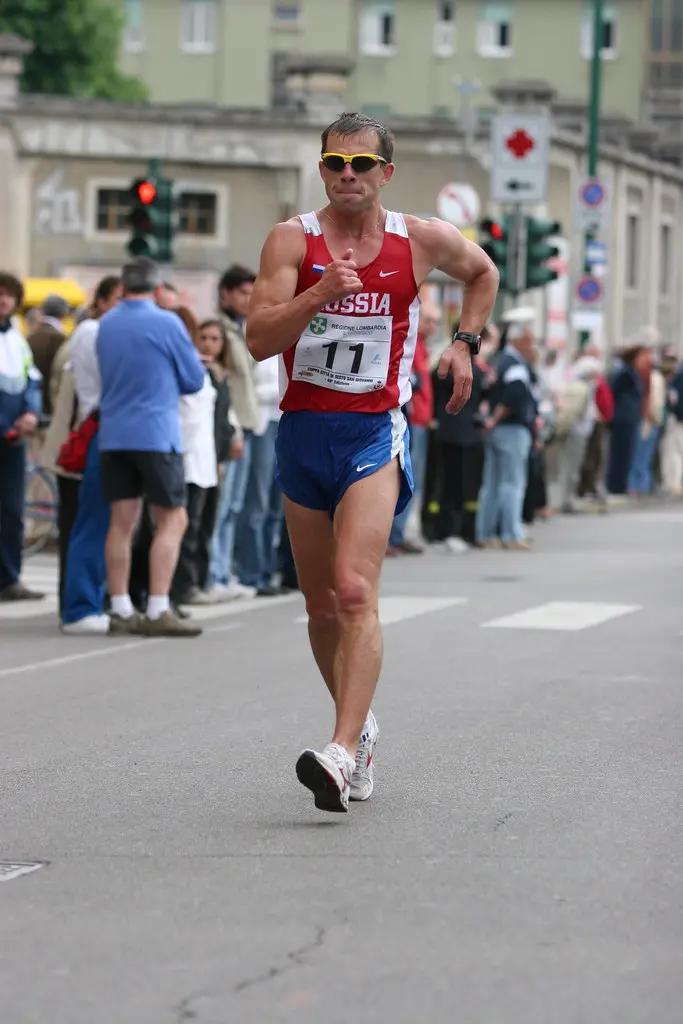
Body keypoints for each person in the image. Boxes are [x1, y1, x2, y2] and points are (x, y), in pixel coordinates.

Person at [246, 111, 498, 813]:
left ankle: (337, 747)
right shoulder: (291, 240)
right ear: (320, 168)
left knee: (354, 591)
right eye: (335, 163)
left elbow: (483, 273)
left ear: (385, 172)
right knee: (319, 605)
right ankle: (359, 733)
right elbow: (258, 339)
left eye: (361, 165)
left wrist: (464, 344)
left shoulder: (417, 241)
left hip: (369, 433)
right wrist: (319, 294)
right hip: (301, 431)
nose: (347, 176)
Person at [97, 257, 206, 637]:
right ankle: (158, 606)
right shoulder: (167, 322)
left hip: (113, 434)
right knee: (173, 519)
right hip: (156, 433)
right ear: (158, 289)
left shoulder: (106, 323)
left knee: (121, 523)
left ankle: (121, 606)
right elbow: (193, 380)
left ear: (123, 286)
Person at [474, 307, 537, 551]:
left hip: (496, 431)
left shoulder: (498, 361)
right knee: (512, 483)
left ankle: (485, 532)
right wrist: (496, 419)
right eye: (528, 338)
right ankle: (511, 533)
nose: (531, 343)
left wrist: (490, 421)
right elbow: (514, 395)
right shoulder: (515, 364)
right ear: (518, 339)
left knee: (491, 483)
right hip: (511, 430)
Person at [0, 272, 44, 602]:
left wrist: (30, 412)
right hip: (7, 431)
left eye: (9, 295)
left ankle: (9, 577)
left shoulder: (17, 338)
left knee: (12, 510)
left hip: (14, 440)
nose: (4, 300)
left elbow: (32, 378)